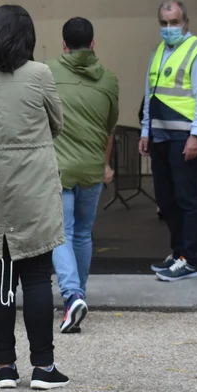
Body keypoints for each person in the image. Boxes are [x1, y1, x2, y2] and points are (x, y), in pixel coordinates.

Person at [0, 5, 70, 391]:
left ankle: (4, 367)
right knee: (37, 276)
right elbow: (57, 123)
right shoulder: (40, 74)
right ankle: (43, 367)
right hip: (33, 188)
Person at [46, 18, 119, 334]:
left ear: (64, 44)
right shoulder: (109, 79)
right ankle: (78, 298)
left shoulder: (47, 72)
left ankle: (72, 296)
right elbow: (109, 128)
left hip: (59, 168)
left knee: (60, 233)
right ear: (93, 43)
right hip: (92, 169)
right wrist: (105, 165)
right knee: (83, 234)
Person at [139, 0, 197, 282]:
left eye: (174, 22)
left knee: (187, 199)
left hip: (184, 137)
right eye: (164, 23)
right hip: (160, 136)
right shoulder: (158, 51)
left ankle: (190, 260)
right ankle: (179, 253)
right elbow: (150, 94)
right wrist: (146, 130)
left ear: (186, 22)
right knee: (166, 199)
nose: (169, 27)